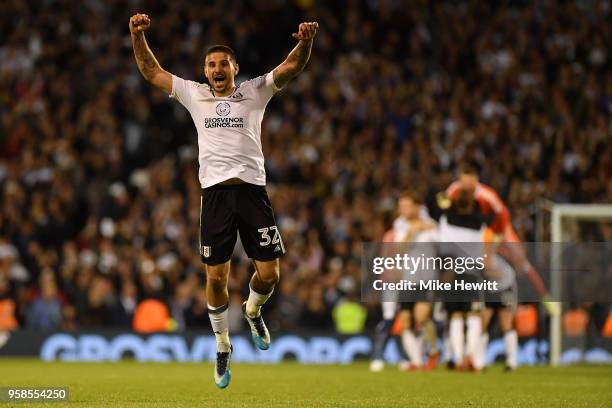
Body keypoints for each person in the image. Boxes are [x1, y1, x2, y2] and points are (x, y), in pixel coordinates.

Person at [129, 13, 318, 388]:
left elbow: (293, 66)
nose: (216, 68)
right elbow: (151, 71)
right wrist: (137, 36)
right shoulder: (194, 94)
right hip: (215, 196)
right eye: (210, 64)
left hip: (252, 193)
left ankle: (252, 310)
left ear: (235, 68)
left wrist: (306, 41)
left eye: (222, 63)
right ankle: (222, 343)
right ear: (204, 70)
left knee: (269, 274)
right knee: (215, 277)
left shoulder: (255, 91)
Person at [370, 190, 439, 372]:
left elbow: (442, 247)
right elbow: (399, 250)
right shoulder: (400, 224)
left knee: (422, 317)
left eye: (407, 206)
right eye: (401, 206)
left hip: (427, 278)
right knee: (406, 319)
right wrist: (410, 233)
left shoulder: (432, 225)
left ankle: (433, 350)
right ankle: (416, 361)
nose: (403, 209)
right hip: (407, 279)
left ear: (417, 207)